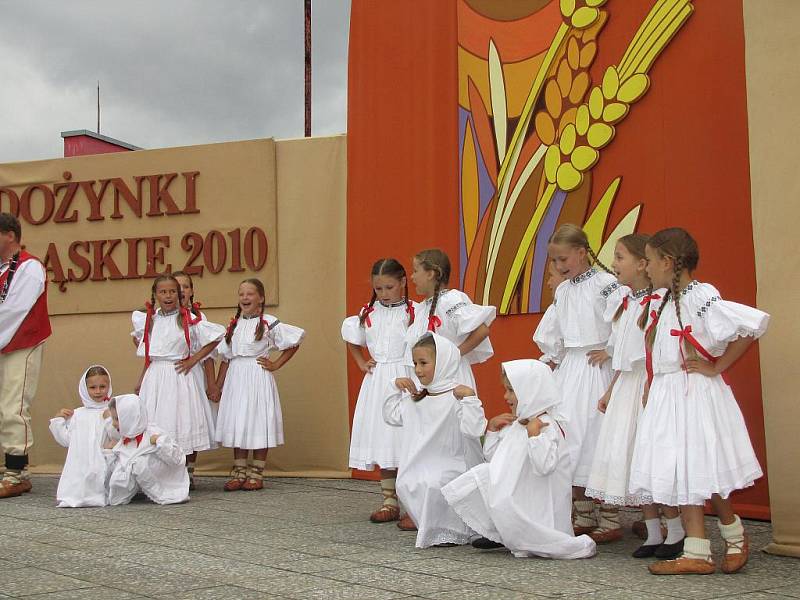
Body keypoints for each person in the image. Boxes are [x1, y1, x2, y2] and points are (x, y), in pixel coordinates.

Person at [629, 227, 768, 575]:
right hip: (667, 391)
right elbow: (658, 348)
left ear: (668, 262)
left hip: (693, 390)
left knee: (700, 466)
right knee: (682, 469)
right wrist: (653, 382)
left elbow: (748, 326)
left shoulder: (700, 295)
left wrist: (717, 366)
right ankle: (698, 551)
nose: (645, 268)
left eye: (649, 261)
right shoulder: (661, 300)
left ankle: (733, 534)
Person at [584, 234, 685, 556]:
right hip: (627, 385)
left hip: (649, 384)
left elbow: (656, 352)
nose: (614, 264)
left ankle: (676, 531)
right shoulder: (624, 303)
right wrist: (610, 391)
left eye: (620, 257)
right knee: (632, 459)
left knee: (651, 458)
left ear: (643, 264)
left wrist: (650, 387)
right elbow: (622, 357)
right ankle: (653, 532)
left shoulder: (658, 303)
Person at [442, 359, 596, 559]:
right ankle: (505, 532)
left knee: (499, 491)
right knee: (484, 476)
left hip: (540, 498)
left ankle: (528, 535)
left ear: (531, 391)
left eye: (511, 391)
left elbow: (544, 466)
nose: (506, 396)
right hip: (523, 491)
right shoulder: (520, 423)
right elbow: (494, 458)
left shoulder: (545, 425)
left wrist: (534, 436)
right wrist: (492, 431)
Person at [532, 223, 623, 534]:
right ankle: (583, 514)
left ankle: (610, 517)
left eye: (563, 260)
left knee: (597, 436)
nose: (558, 267)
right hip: (571, 369)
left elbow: (625, 322)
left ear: (582, 253)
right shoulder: (564, 290)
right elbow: (554, 330)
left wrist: (610, 350)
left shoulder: (607, 284)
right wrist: (552, 360)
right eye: (554, 261)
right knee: (569, 436)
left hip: (596, 370)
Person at [384, 333, 487, 548]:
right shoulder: (416, 398)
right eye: (415, 364)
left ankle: (454, 529)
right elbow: (391, 416)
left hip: (456, 462)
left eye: (423, 363)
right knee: (407, 481)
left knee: (433, 481)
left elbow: (474, 428)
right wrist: (394, 387)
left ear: (442, 363)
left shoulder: (456, 395)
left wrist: (469, 400)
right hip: (423, 461)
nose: (418, 370)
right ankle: (436, 527)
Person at [342, 258, 414, 522]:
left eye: (389, 287)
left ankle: (412, 504)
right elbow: (352, 339)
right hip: (378, 379)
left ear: (404, 282)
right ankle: (389, 502)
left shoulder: (413, 312)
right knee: (384, 437)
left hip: (405, 375)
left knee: (405, 438)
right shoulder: (367, 314)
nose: (384, 294)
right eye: (379, 289)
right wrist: (362, 361)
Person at [215, 278, 304, 491]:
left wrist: (275, 365)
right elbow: (226, 358)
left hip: (257, 376)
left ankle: (257, 471)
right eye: (241, 294)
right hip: (236, 377)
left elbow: (294, 342)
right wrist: (218, 384)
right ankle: (239, 470)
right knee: (239, 421)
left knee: (258, 420)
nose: (245, 298)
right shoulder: (233, 325)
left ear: (261, 298)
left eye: (250, 294)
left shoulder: (268, 322)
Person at [132, 275, 224, 465]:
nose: (168, 296)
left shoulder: (187, 318)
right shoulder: (151, 320)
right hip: (156, 377)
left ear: (179, 294)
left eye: (172, 291)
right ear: (155, 294)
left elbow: (216, 337)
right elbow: (150, 355)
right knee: (156, 422)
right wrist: (141, 380)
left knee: (183, 421)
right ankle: (158, 469)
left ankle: (186, 472)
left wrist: (193, 360)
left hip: (180, 375)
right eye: (163, 292)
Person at [0, 213, 51, 498]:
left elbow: (14, 309)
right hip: (3, 341)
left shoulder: (30, 267)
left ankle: (16, 473)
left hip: (21, 342)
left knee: (13, 405)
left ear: (10, 235)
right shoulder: (3, 268)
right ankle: (14, 468)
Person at [49, 365, 118, 507]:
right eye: (93, 388)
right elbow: (67, 440)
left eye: (102, 387)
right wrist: (58, 421)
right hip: (80, 462)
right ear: (84, 388)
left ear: (109, 386)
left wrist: (109, 419)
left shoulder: (111, 411)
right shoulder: (78, 414)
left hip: (104, 459)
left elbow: (117, 435)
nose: (98, 392)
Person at [106, 394, 189, 505]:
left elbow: (176, 458)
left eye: (117, 419)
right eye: (113, 419)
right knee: (114, 460)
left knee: (139, 463)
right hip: (140, 475)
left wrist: (160, 441)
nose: (113, 423)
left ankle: (160, 491)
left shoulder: (152, 432)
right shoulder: (125, 437)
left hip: (160, 474)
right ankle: (132, 491)